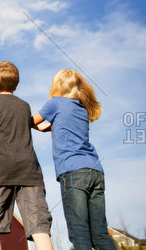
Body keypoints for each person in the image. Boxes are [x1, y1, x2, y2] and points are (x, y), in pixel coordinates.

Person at [32, 69, 117, 250]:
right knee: (100, 234)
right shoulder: (82, 108)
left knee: (80, 234)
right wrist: (47, 127)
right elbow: (55, 126)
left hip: (73, 171)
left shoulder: (55, 103)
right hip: (95, 170)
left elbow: (32, 121)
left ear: (58, 86)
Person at [0, 61, 53, 250]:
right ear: (15, 84)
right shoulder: (24, 105)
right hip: (29, 171)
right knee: (39, 224)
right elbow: (35, 125)